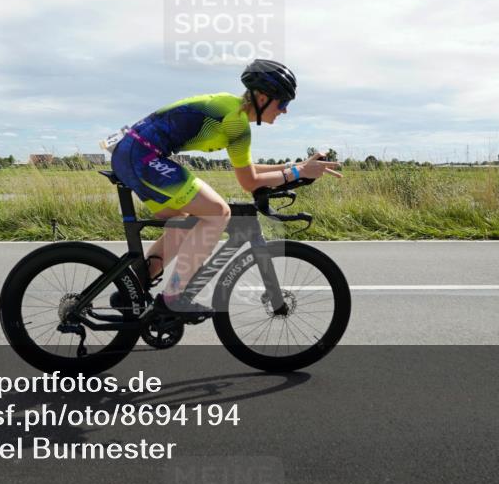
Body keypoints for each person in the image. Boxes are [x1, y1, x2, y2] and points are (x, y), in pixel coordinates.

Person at [108, 59, 342, 320]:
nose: (285, 111)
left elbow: (248, 170)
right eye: (283, 103)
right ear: (263, 97)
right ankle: (173, 299)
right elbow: (249, 183)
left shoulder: (233, 113)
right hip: (142, 157)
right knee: (218, 212)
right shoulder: (236, 122)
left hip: (133, 153)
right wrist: (298, 173)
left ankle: (133, 287)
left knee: (185, 221)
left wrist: (300, 166)